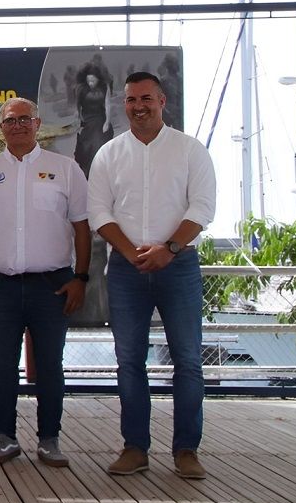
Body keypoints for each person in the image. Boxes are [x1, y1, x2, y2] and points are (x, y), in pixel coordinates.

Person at [88, 71, 216, 479]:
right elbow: (99, 212)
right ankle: (135, 448)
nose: (138, 106)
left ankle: (186, 451)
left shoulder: (190, 150)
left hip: (178, 267)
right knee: (129, 362)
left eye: (146, 98)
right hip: (126, 270)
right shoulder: (108, 153)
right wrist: (131, 252)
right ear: (122, 104)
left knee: (188, 361)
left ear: (162, 101)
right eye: (130, 100)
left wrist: (169, 249)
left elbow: (202, 208)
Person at [0, 98, 90, 468]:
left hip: (53, 285)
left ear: (38, 124)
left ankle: (50, 439)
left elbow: (82, 226)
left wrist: (81, 277)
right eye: (10, 121)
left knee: (50, 365)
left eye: (24, 120)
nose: (17, 126)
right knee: (1, 364)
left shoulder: (65, 169)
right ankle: (4, 437)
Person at [74, 66, 113, 177]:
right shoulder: (81, 89)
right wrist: (79, 121)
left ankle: (100, 173)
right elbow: (78, 107)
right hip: (87, 120)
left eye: (93, 80)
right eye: (88, 81)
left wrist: (107, 121)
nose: (90, 83)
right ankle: (87, 173)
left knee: (99, 144)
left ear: (98, 79)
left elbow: (108, 105)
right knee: (86, 148)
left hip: (100, 119)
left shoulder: (104, 87)